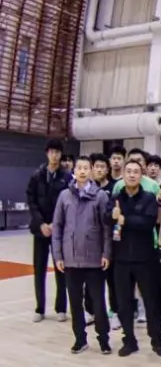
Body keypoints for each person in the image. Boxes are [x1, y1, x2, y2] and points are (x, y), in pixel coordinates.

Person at [51, 155, 111, 354]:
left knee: (98, 302)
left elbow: (107, 229)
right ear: (74, 171)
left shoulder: (100, 196)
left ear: (91, 171)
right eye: (79, 168)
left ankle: (103, 339)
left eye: (86, 168)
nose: (83, 171)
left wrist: (106, 253)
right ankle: (80, 339)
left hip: (94, 259)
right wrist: (58, 256)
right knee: (75, 302)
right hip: (70, 259)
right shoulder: (64, 196)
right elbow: (57, 227)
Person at [111, 159, 161, 358]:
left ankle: (158, 341)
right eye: (128, 171)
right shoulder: (116, 197)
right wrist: (112, 216)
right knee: (124, 303)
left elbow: (148, 222)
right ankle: (129, 341)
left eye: (136, 172)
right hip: (121, 258)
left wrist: (124, 219)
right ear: (123, 174)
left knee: (152, 302)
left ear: (141, 175)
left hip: (146, 258)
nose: (132, 175)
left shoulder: (149, 198)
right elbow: (107, 219)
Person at [27, 138, 71, 323]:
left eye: (57, 152)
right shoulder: (37, 175)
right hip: (40, 230)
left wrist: (55, 224)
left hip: (59, 230)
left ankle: (61, 308)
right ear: (47, 153)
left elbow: (68, 203)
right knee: (39, 268)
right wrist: (41, 224)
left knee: (61, 269)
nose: (54, 155)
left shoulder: (66, 177)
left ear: (61, 155)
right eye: (52, 152)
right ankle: (40, 308)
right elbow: (31, 200)